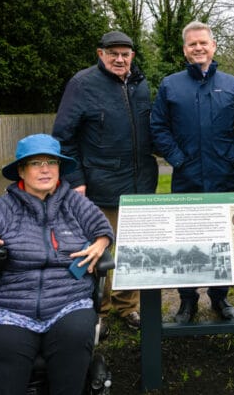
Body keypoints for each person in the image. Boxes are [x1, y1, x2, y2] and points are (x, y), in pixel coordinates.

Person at [0, 134, 114, 395]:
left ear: (59, 169)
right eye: (35, 163)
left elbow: (102, 227)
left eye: (51, 162)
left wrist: (101, 243)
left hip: (68, 301)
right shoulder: (3, 207)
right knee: (8, 354)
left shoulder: (74, 202)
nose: (45, 169)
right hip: (11, 307)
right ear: (21, 170)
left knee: (74, 338)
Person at [53, 30, 158, 335]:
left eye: (125, 54)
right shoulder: (82, 84)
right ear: (100, 55)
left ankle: (127, 306)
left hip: (140, 184)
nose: (119, 59)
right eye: (112, 53)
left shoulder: (140, 84)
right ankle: (97, 309)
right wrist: (75, 179)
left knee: (133, 250)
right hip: (100, 185)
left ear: (132, 57)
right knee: (98, 250)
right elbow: (63, 136)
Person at [150, 20, 234, 323]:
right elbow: (158, 127)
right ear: (185, 50)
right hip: (187, 177)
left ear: (213, 46)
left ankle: (220, 299)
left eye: (203, 42)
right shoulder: (171, 85)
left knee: (222, 240)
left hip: (223, 177)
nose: (198, 48)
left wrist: (230, 157)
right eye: (192, 44)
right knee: (187, 242)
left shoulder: (233, 85)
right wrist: (178, 159)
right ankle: (187, 300)